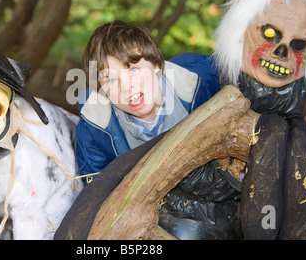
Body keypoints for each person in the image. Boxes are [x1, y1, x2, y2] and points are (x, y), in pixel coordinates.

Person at [75, 20, 220, 184]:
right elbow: (93, 190)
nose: (127, 86)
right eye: (112, 81)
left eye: (133, 70)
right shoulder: (94, 126)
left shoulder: (200, 80)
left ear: (156, 64)